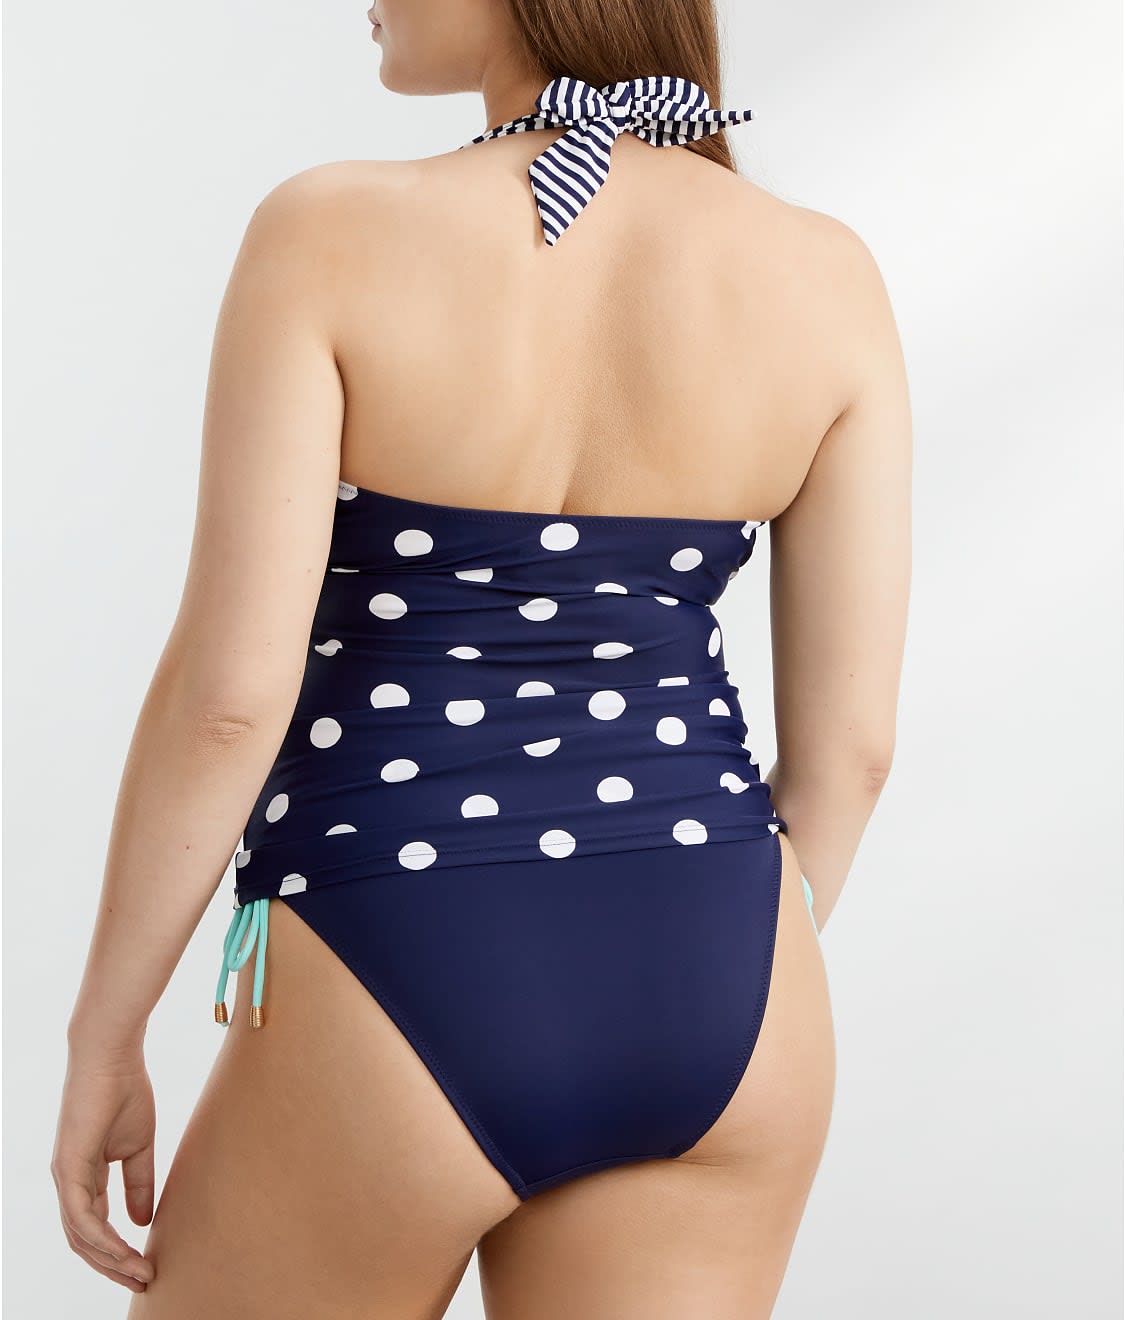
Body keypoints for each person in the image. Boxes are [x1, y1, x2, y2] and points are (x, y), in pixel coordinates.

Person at [50, 2, 912, 1316]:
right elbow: (853, 755)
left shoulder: (330, 230)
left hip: (399, 943)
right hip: (719, 961)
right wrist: (706, 964)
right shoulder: (825, 271)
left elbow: (228, 704)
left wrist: (105, 1031)